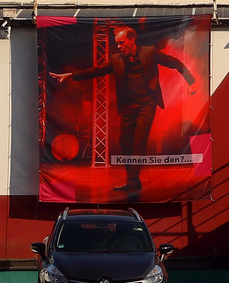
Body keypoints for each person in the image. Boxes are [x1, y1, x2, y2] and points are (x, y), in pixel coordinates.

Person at [48, 23, 197, 194]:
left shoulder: (148, 52)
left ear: (132, 40)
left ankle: (132, 182)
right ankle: (132, 179)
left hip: (147, 104)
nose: (119, 46)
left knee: (138, 141)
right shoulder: (116, 60)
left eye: (122, 42)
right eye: (117, 43)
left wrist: (191, 82)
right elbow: (95, 71)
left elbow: (174, 63)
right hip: (128, 106)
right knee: (124, 142)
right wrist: (71, 75)